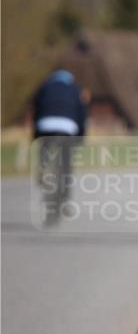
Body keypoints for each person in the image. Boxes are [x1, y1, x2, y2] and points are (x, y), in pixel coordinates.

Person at [32, 69, 88, 226]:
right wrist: (81, 137)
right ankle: (65, 201)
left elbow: (36, 111)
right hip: (67, 127)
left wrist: (35, 135)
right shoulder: (75, 89)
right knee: (66, 167)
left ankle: (43, 167)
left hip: (44, 124)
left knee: (45, 148)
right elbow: (82, 114)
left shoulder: (44, 87)